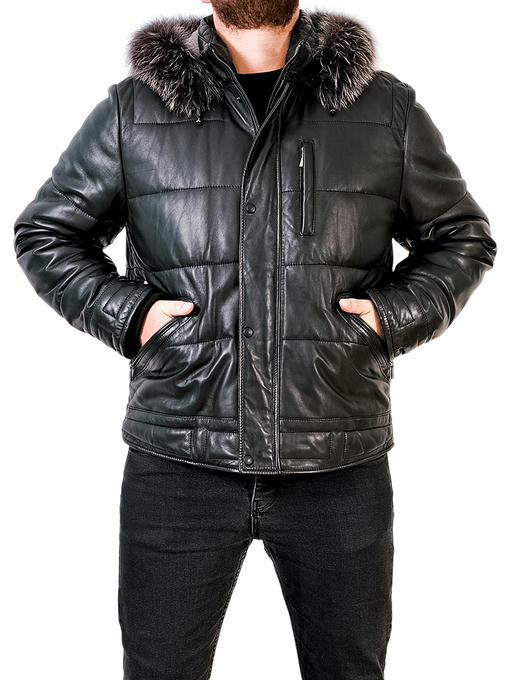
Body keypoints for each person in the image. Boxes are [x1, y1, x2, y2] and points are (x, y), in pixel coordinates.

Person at [13, 1, 497, 678]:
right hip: (179, 455)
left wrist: (389, 318)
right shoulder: (135, 109)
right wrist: (132, 315)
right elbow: (47, 233)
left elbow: (461, 237)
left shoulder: (383, 107)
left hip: (338, 456)